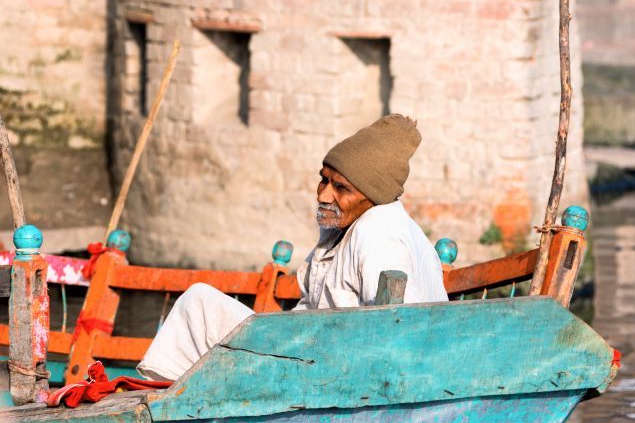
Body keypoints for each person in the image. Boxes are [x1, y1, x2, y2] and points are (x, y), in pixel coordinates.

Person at [137, 114, 448, 381]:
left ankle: (163, 403)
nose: (324, 195)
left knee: (199, 303)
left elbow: (397, 331)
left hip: (341, 373)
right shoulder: (342, 227)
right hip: (314, 356)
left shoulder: (379, 231)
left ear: (371, 194)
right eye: (324, 180)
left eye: (340, 188)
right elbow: (311, 305)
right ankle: (167, 401)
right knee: (202, 303)